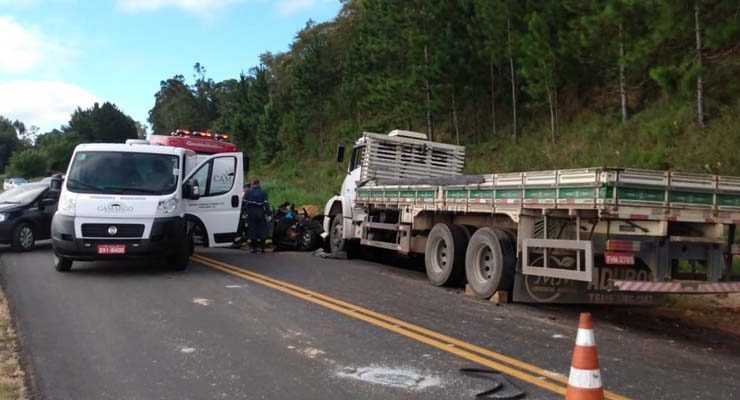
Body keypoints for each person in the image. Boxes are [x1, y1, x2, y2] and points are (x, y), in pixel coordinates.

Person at [244, 178, 268, 253]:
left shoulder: (248, 192)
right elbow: (266, 204)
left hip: (251, 212)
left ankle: (254, 249)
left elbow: (244, 203)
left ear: (252, 184)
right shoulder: (263, 192)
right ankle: (262, 249)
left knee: (252, 230)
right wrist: (268, 214)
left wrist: (245, 212)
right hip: (260, 212)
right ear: (259, 184)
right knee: (262, 229)